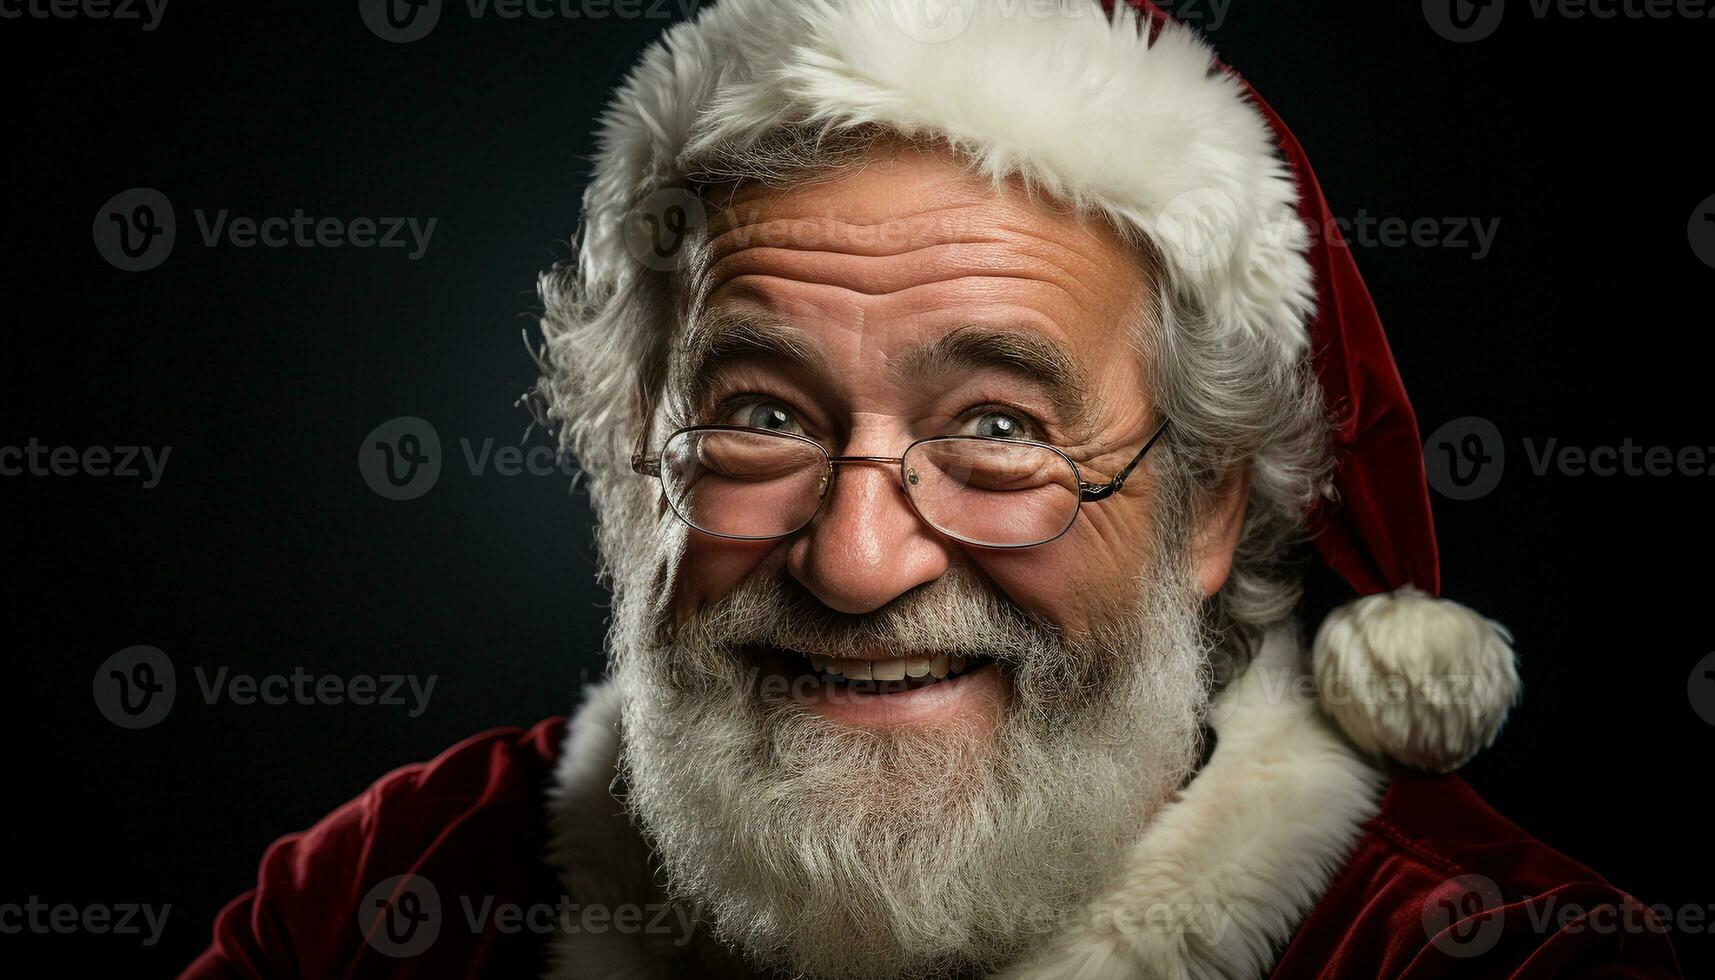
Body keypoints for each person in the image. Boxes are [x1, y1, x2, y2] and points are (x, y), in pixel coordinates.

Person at [183, 1, 1681, 976]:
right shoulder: (395, 894)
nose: (855, 559)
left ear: (1211, 507)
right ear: (641, 457)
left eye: (1001, 430)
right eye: (761, 413)